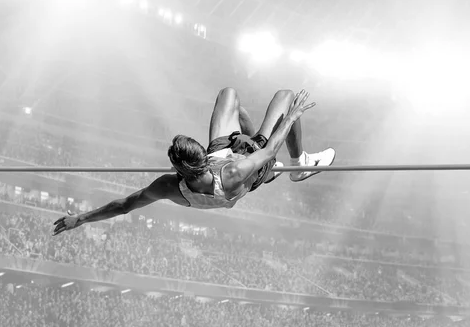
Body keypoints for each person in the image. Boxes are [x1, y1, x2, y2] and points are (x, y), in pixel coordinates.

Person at [53, 89, 335, 235]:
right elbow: (271, 149)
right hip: (251, 164)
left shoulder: (169, 185)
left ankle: (249, 139)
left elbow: (125, 206)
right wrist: (294, 115)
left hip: (222, 154)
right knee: (286, 97)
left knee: (230, 96)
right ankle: (301, 164)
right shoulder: (234, 172)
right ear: (201, 157)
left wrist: (81, 218)